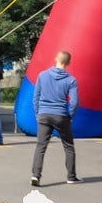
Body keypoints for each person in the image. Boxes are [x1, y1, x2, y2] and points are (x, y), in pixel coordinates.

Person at [31, 51, 80, 186]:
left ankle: (36, 176)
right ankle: (71, 176)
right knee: (68, 146)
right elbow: (74, 102)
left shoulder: (42, 75)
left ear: (55, 59)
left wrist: (37, 114)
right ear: (69, 63)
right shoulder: (71, 80)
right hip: (61, 115)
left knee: (41, 146)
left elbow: (35, 97)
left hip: (44, 114)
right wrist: (69, 115)